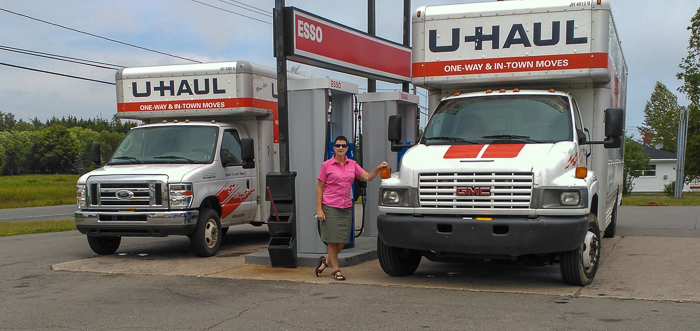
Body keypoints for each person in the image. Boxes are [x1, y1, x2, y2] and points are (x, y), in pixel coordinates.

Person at [315, 135, 388, 281]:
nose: (341, 148)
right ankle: (336, 270)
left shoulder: (352, 164)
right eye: (338, 146)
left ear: (347, 148)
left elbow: (367, 177)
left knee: (342, 240)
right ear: (333, 148)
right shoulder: (326, 165)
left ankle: (326, 261)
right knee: (332, 240)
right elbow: (319, 188)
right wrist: (319, 209)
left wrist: (378, 169)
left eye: (343, 145)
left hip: (346, 206)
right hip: (330, 205)